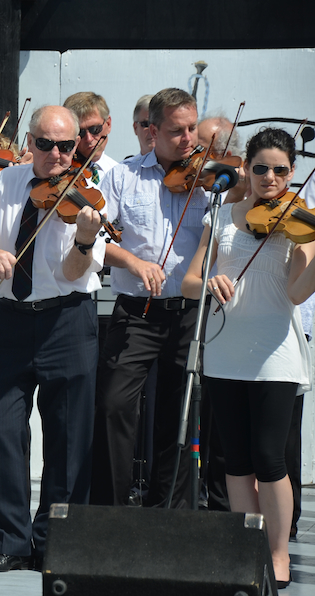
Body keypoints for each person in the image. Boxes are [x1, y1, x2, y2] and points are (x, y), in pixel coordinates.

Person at [0, 105, 104, 571]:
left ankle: (55, 542)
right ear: (29, 144)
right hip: (10, 318)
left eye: (65, 145)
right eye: (45, 144)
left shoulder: (89, 196)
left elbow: (76, 272)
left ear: (77, 145)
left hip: (67, 320)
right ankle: (9, 543)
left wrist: (82, 240)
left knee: (68, 436)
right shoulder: (6, 181)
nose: (56, 155)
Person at [181, 127, 314, 589]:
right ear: (246, 169)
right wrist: (210, 283)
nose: (271, 178)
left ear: (292, 172)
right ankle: (250, 549)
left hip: (276, 353)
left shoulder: (300, 224)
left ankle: (278, 554)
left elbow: (297, 293)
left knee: (269, 457)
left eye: (280, 170)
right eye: (261, 169)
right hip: (225, 350)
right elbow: (189, 283)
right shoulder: (221, 217)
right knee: (235, 459)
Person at [92, 88, 206, 510]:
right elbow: (99, 237)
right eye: (177, 131)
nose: (188, 139)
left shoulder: (208, 179)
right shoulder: (123, 176)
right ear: (153, 131)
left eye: (192, 128)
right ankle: (112, 512)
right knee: (113, 406)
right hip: (136, 311)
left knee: (178, 416)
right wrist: (134, 262)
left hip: (188, 312)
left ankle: (168, 515)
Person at [63, 91, 118, 183]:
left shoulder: (118, 172)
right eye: (80, 132)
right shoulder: (60, 169)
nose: (89, 139)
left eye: (95, 129)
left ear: (108, 124)